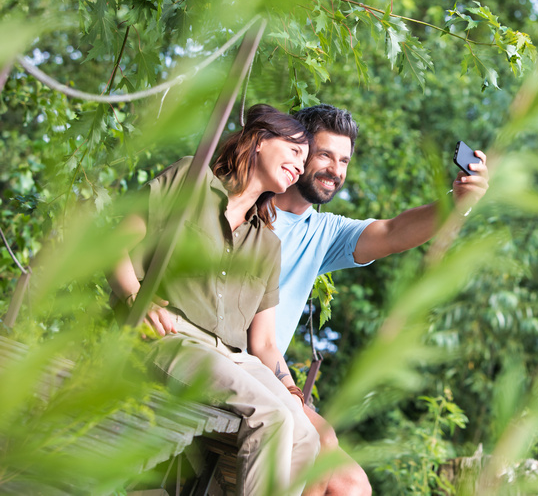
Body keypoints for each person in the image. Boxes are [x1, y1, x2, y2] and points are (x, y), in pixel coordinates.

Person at [270, 104, 489, 495]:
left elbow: (392, 232)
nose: (335, 171)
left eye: (344, 161)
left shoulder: (322, 231)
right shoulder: (250, 209)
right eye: (325, 155)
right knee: (322, 446)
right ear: (297, 150)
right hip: (244, 366)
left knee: (353, 486)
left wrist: (457, 204)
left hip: (274, 378)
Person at [108, 104, 319, 496]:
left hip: (235, 358)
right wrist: (137, 298)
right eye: (294, 151)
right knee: (271, 417)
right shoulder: (191, 180)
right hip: (174, 336)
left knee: (307, 436)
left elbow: (267, 343)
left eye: (304, 160)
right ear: (259, 141)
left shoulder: (267, 244)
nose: (300, 165)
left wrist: (289, 387)